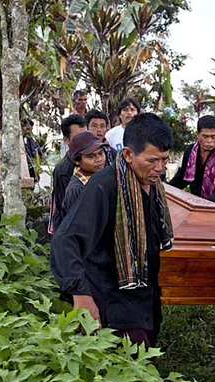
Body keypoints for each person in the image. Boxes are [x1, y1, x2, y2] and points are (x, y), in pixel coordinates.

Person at [51, 113, 174, 348]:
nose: (160, 168)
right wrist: (81, 294)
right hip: (112, 299)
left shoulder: (152, 185)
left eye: (164, 159)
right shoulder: (103, 187)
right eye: (152, 160)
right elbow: (65, 239)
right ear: (127, 154)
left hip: (144, 297)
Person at [169, 115, 215, 204]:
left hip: (213, 206)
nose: (209, 141)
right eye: (205, 136)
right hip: (194, 202)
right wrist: (166, 189)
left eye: (213, 136)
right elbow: (182, 178)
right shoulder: (190, 151)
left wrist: (203, 204)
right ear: (197, 134)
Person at [48, 114, 86, 234]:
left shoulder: (93, 160)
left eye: (85, 135)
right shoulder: (63, 170)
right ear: (66, 140)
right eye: (77, 137)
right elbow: (66, 207)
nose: (83, 141)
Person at [61, 130, 109, 218]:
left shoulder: (101, 177)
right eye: (91, 156)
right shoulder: (76, 190)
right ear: (77, 160)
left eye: (101, 153)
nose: (99, 159)